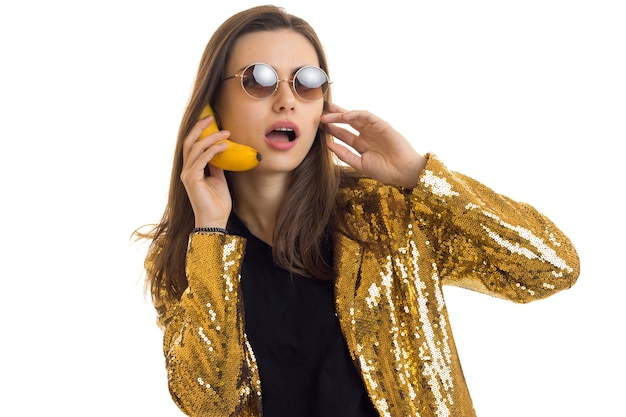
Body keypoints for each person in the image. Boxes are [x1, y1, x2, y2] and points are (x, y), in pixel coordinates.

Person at [136, 5, 580, 417]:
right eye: (259, 79)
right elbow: (209, 401)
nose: (286, 100)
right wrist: (210, 232)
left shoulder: (384, 211)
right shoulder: (187, 255)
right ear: (213, 103)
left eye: (307, 81)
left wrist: (421, 176)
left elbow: (550, 267)